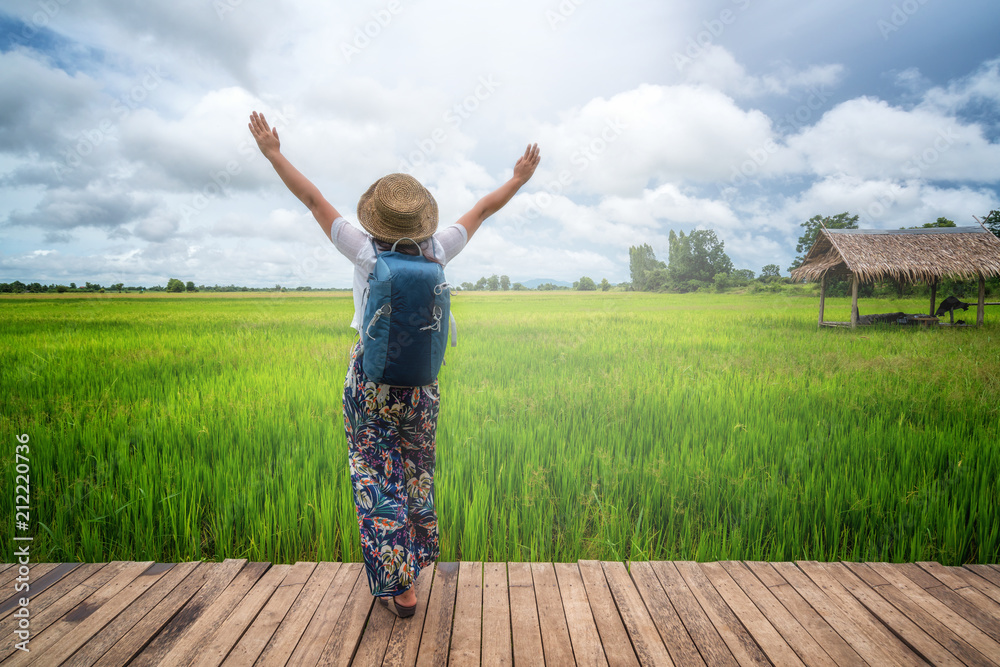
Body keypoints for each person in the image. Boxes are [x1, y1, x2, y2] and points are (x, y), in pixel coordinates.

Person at [248, 110, 540, 617]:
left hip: (370, 383)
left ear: (375, 219)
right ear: (421, 219)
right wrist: (518, 178)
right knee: (415, 473)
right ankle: (416, 565)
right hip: (422, 386)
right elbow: (482, 210)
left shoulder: (363, 250)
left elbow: (313, 200)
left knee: (374, 477)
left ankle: (399, 590)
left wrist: (274, 153)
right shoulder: (437, 250)